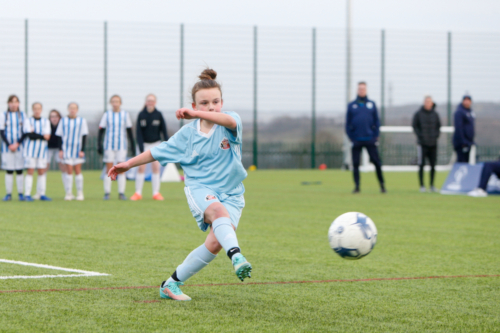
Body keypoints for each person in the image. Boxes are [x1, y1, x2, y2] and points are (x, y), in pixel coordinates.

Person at [108, 69, 252, 301]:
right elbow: (156, 151)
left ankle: (171, 284)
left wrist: (195, 113)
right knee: (217, 213)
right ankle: (237, 256)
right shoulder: (187, 135)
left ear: (222, 102)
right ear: (194, 104)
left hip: (233, 194)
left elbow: (227, 119)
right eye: (203, 103)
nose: (211, 107)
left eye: (215, 101)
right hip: (201, 189)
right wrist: (128, 164)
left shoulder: (230, 123)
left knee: (215, 243)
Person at [345, 82, 386, 193]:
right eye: (360, 89)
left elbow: (377, 122)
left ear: (366, 90)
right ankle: (357, 187)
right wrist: (351, 137)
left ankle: (382, 185)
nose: (361, 91)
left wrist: (375, 136)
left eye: (363, 89)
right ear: (357, 90)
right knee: (356, 164)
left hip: (370, 139)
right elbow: (347, 124)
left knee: (377, 162)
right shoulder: (351, 105)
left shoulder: (372, 104)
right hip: (356, 140)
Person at [130, 94, 168, 201]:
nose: (150, 103)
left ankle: (156, 193)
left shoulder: (159, 114)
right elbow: (138, 132)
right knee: (141, 168)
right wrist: (141, 146)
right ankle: (138, 193)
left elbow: (164, 130)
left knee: (155, 168)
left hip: (155, 144)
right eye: (148, 101)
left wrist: (166, 144)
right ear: (146, 102)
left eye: (152, 101)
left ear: (155, 102)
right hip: (144, 145)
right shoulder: (141, 114)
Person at [98, 95, 135, 200]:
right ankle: (107, 193)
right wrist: (99, 144)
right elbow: (101, 130)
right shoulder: (107, 115)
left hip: (121, 145)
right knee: (108, 168)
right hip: (109, 145)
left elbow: (129, 130)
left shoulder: (125, 114)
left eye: (117, 101)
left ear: (120, 103)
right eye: (113, 101)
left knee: (121, 168)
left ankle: (121, 193)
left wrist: (132, 145)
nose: (115, 103)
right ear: (111, 103)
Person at [55, 102, 88, 201]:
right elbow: (59, 136)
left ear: (77, 110)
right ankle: (68, 193)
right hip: (67, 150)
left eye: (74, 108)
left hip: (77, 150)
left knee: (77, 171)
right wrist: (60, 150)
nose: (72, 110)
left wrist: (82, 150)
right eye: (70, 108)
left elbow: (84, 135)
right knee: (69, 171)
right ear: (68, 109)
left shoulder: (82, 121)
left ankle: (79, 192)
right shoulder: (63, 121)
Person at [23, 102, 52, 201]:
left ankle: (41, 193)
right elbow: (30, 135)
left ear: (41, 110)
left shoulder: (46, 121)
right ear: (32, 109)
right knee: (30, 171)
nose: (37, 110)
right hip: (30, 151)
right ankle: (27, 194)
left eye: (39, 108)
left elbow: (47, 136)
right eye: (35, 108)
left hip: (42, 151)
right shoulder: (28, 121)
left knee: (41, 172)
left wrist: (35, 133)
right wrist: (41, 135)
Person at [412, 95, 441, 192]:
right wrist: (420, 136)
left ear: (432, 103)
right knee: (421, 164)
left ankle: (432, 185)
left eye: (430, 101)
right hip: (422, 144)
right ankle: (422, 186)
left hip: (433, 144)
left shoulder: (435, 114)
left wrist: (435, 136)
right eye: (426, 101)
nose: (428, 103)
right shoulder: (418, 114)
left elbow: (438, 127)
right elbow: (414, 126)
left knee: (433, 165)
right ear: (424, 102)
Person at [0, 95, 26, 201]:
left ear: (18, 103)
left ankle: (20, 193)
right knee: (9, 170)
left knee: (19, 170)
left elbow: (25, 131)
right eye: (11, 102)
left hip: (20, 148)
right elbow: (1, 131)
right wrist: (9, 145)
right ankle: (8, 194)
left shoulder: (23, 115)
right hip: (7, 148)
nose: (14, 104)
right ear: (8, 103)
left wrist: (17, 144)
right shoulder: (3, 115)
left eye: (16, 102)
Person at [47, 109, 67, 195]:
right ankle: (40, 192)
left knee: (63, 168)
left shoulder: (63, 125)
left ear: (59, 117)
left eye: (56, 116)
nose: (54, 118)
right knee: (44, 168)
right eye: (52, 116)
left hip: (59, 150)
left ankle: (68, 191)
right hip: (48, 149)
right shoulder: (46, 125)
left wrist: (61, 149)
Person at [452, 94, 474, 163]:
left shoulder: (470, 112)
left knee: (466, 162)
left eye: (468, 100)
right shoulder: (459, 112)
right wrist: (463, 141)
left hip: (468, 142)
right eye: (465, 100)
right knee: (461, 162)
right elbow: (459, 128)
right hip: (461, 143)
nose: (467, 102)